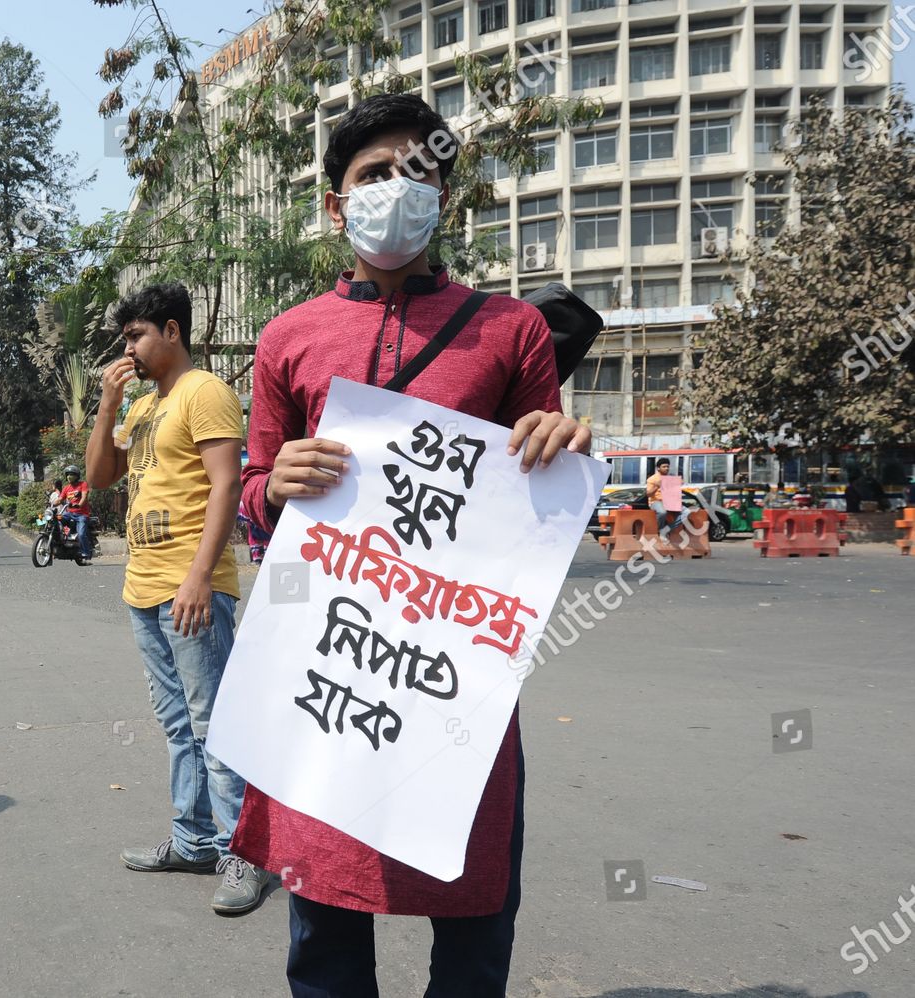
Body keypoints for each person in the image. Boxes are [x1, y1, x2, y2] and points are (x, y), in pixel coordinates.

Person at [235, 93, 591, 996]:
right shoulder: (287, 338)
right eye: (370, 176)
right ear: (334, 204)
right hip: (329, 668)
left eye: (417, 173)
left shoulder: (510, 332)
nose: (395, 189)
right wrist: (272, 487)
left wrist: (560, 446)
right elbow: (251, 500)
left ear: (444, 198)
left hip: (454, 675)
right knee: (323, 927)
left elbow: (533, 498)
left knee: (472, 925)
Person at [86, 282, 269, 916]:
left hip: (192, 588)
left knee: (216, 723)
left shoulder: (206, 393)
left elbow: (226, 486)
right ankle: (193, 840)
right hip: (143, 587)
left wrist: (198, 576)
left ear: (171, 330)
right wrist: (108, 406)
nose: (128, 348)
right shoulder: (141, 407)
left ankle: (242, 853)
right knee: (178, 724)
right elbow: (98, 481)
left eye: (136, 335)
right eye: (124, 338)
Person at [57, 466, 93, 563]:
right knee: (55, 520)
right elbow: (60, 499)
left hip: (82, 514)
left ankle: (86, 553)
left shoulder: (83, 484)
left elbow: (84, 496)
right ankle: (60, 543)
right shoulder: (66, 488)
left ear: (76, 476)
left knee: (81, 534)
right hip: (69, 514)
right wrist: (52, 503)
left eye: (71, 474)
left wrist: (79, 505)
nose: (69, 476)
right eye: (67, 475)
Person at [646, 458, 688, 539]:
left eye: (668, 466)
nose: (666, 468)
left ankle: (665, 530)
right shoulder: (652, 479)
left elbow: (679, 485)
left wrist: (678, 482)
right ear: (658, 468)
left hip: (669, 501)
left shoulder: (670, 478)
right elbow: (648, 494)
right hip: (656, 501)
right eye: (664, 466)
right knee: (662, 512)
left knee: (687, 512)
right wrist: (657, 486)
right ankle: (660, 530)